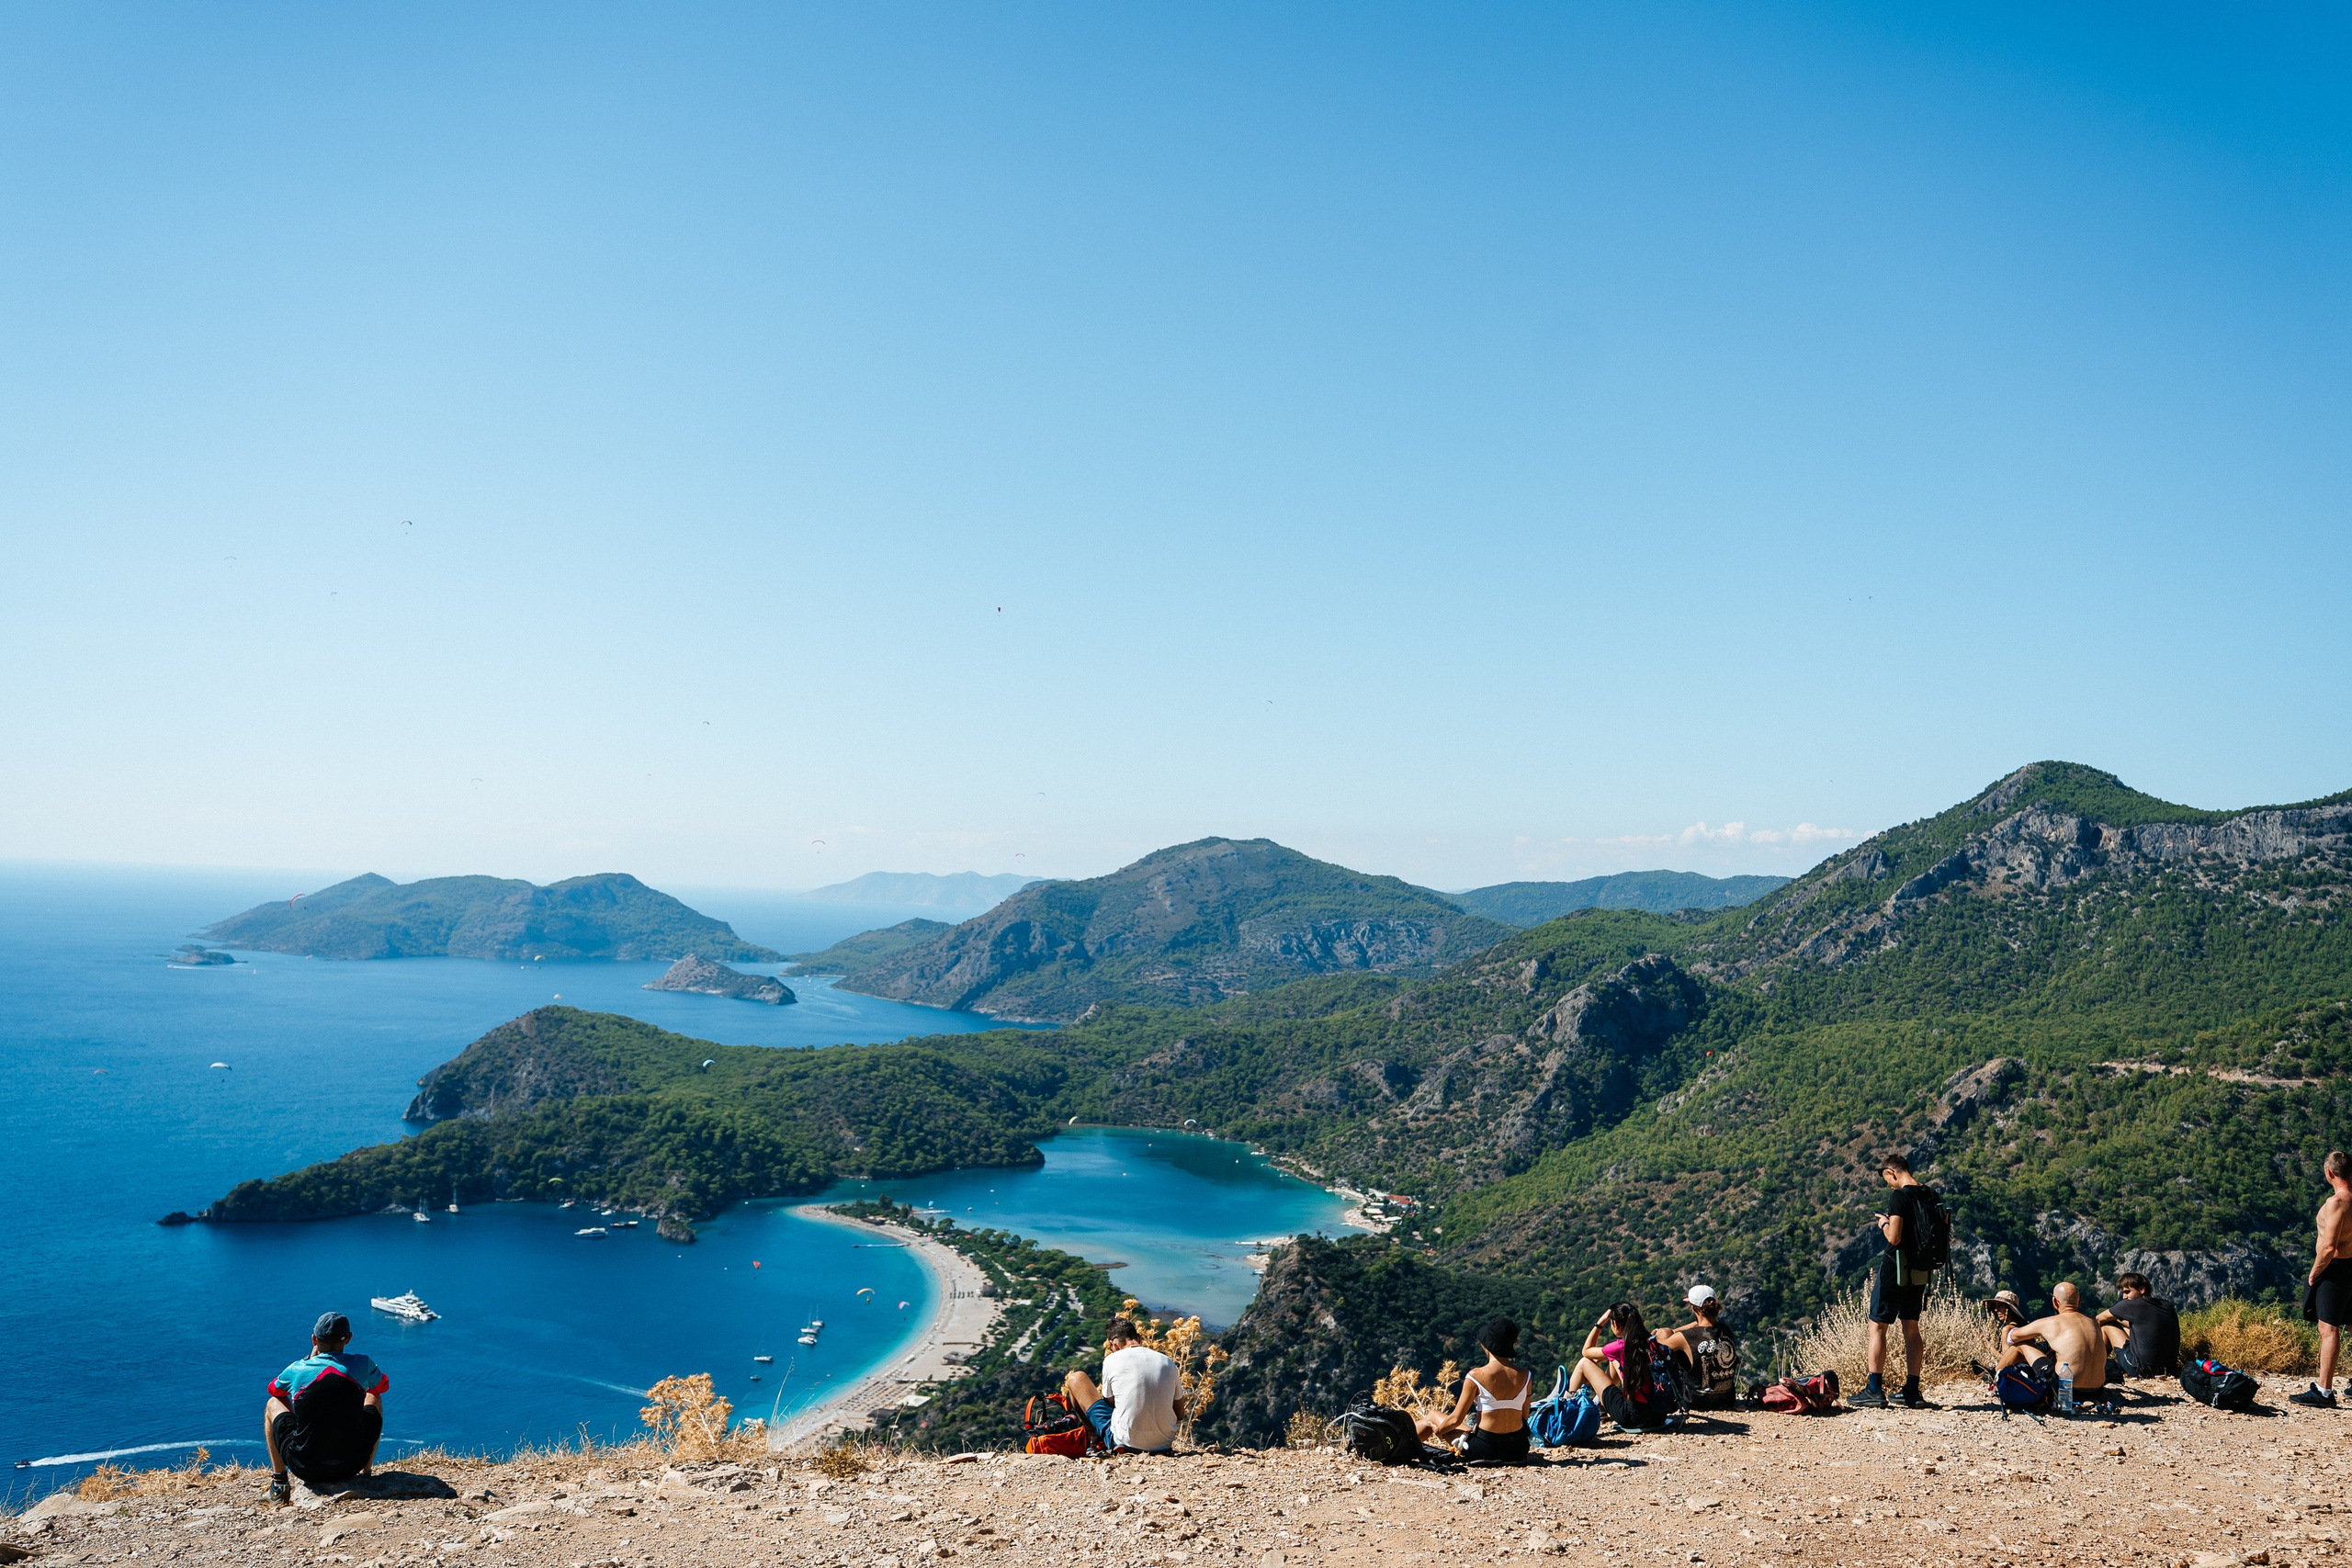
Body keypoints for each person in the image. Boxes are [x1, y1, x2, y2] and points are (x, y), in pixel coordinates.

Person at [264, 1312, 388, 1503]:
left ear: (314, 1339)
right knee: (373, 1397)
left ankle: (279, 1485)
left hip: (305, 1467)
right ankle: (366, 1474)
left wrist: (308, 1361)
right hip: (352, 1464)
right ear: (348, 1339)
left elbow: (274, 1390)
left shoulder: (298, 1368)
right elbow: (382, 1387)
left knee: (272, 1403)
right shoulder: (363, 1363)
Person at [1851, 1152, 1939, 1409]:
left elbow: (1895, 1238)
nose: (1888, 1184)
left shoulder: (1899, 1196)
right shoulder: (1930, 1194)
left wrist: (1883, 1224)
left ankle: (1874, 1390)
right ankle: (1912, 1389)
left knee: (1878, 1326)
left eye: (1886, 1179)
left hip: (1896, 1269)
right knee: (1911, 1329)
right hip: (1920, 1271)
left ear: (1892, 1172)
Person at [1411, 1319, 1532, 1462]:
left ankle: (1400, 1447)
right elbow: (1524, 1418)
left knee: (1432, 1416)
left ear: (1487, 1345)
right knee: (1467, 1428)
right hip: (1518, 1450)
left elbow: (1455, 1420)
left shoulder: (1476, 1376)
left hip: (1484, 1449)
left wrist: (1439, 1432)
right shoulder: (1526, 1375)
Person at [1062, 1317, 1183, 1454]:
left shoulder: (1111, 1360)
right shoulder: (1167, 1361)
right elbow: (1179, 1414)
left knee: (1075, 1379)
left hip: (1126, 1443)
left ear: (1113, 1344)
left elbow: (1111, 1404)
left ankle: (1095, 1438)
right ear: (1139, 1338)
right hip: (1164, 1444)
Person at [2292, 1151, 2352, 1407]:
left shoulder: (2337, 1202)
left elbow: (2328, 1247)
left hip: (2335, 1270)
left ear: (2329, 1173)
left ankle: (2324, 1391)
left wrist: (2315, 1272)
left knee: (2328, 1328)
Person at [1997, 1283, 2109, 1404]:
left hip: (2066, 1390)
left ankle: (1996, 1376)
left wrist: (2009, 1328)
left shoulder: (2050, 1322)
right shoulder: (2094, 1322)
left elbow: (2012, 1337)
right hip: (2097, 1391)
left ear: (2055, 1302)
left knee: (2022, 1344)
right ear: (2079, 1302)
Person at [1566, 1302, 1670, 1429]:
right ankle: (1600, 1403)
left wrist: (1601, 1322)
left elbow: (1586, 1351)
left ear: (1615, 1324)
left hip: (1632, 1417)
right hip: (1659, 1415)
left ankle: (1567, 1411)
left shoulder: (1620, 1347)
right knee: (1613, 1360)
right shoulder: (1651, 1342)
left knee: (1584, 1363)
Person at [1665, 1285, 1739, 1409]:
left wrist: (1665, 1331)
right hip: (1727, 1399)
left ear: (1694, 1308)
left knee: (1667, 1342)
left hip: (1695, 1400)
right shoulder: (1726, 1329)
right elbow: (1705, 1326)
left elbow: (1658, 1347)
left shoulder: (1686, 1337)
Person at [2098, 1272, 2181, 1382]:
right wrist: (2119, 1320)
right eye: (2123, 1293)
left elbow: (2098, 1319)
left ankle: (2095, 1367)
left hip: (2140, 1370)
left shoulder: (2129, 1305)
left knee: (2107, 1326)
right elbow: (2143, 1325)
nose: (2124, 1297)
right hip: (2168, 1370)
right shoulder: (2167, 1305)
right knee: (2128, 1326)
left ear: (2141, 1290)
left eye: (2127, 1292)